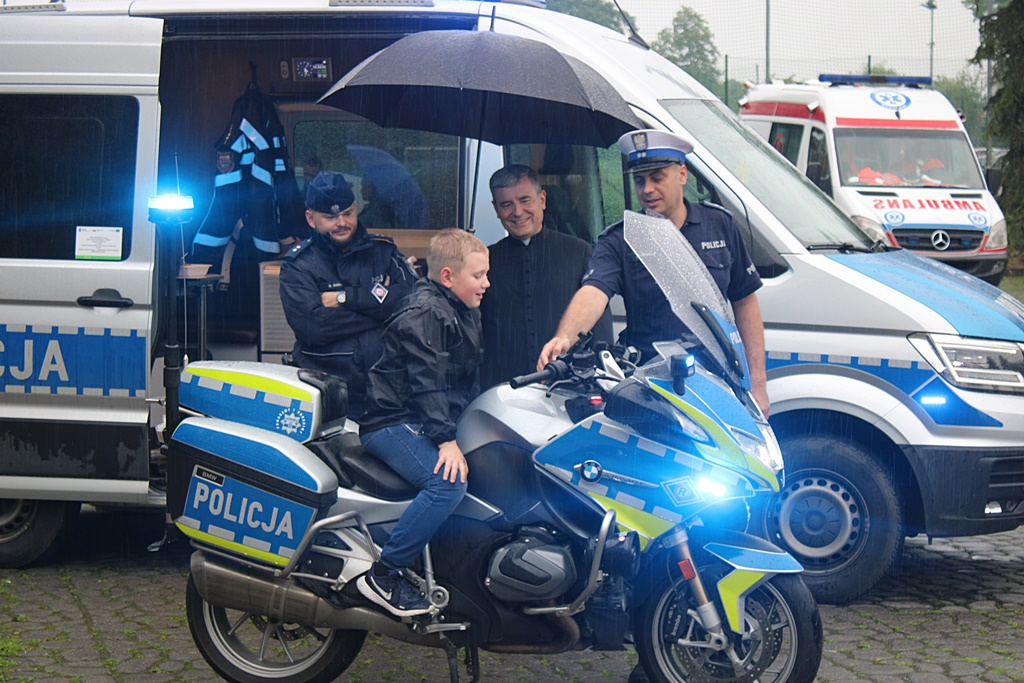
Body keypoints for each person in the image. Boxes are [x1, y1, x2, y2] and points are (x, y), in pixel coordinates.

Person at [538, 129, 770, 417]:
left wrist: (757, 383)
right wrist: (564, 338)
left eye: (657, 178)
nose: (646, 189)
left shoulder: (719, 225)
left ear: (682, 175)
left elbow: (745, 301)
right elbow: (594, 292)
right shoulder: (622, 238)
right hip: (649, 390)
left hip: (717, 385)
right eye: (639, 180)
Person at [357, 229, 489, 617]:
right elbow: (428, 381)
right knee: (448, 484)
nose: (486, 283)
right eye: (478, 275)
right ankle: (384, 574)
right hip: (390, 421)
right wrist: (446, 440)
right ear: (448, 276)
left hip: (418, 418)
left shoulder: (460, 307)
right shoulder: (426, 313)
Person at [279, 171, 418, 418]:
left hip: (388, 390)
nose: (341, 222)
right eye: (330, 217)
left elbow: (411, 301)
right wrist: (382, 311)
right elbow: (314, 327)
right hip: (326, 393)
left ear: (355, 208)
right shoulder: (298, 265)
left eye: (347, 213)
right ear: (311, 218)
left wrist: (345, 299)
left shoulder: (382, 251)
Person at [479, 164, 612, 388]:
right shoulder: (485, 261)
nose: (517, 212)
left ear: (542, 200)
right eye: (506, 205)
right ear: (496, 209)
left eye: (524, 200)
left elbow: (601, 334)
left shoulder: (579, 252)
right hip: (503, 390)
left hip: (567, 387)